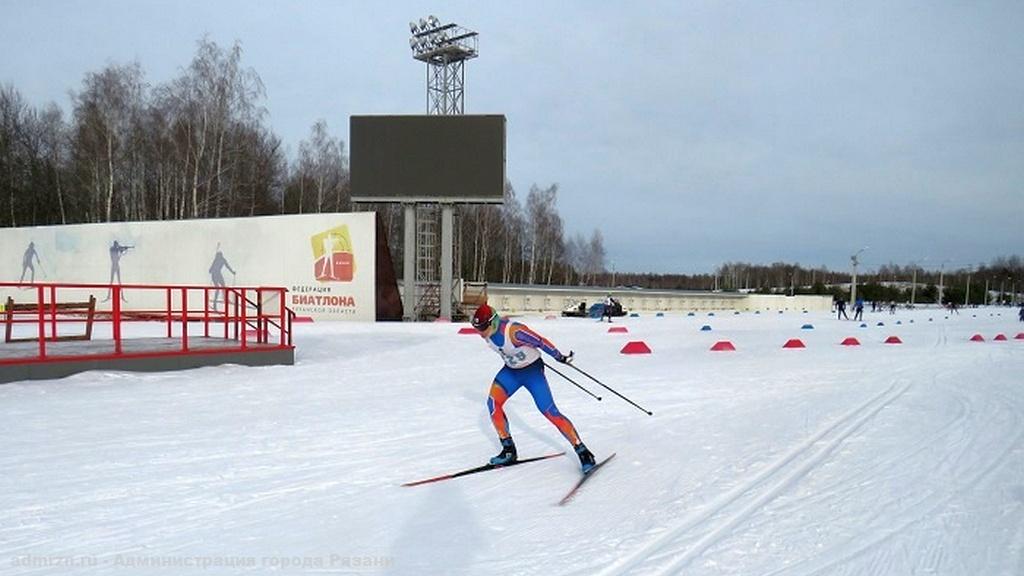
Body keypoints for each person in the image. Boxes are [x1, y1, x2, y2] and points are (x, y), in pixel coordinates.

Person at [471, 303, 597, 472]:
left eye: (483, 328)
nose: (481, 333)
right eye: (477, 328)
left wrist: (559, 357)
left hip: (532, 373)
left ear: (493, 323)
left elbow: (540, 342)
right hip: (512, 372)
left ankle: (582, 451)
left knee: (549, 411)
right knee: (493, 404)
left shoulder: (515, 331)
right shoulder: (488, 333)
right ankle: (509, 450)